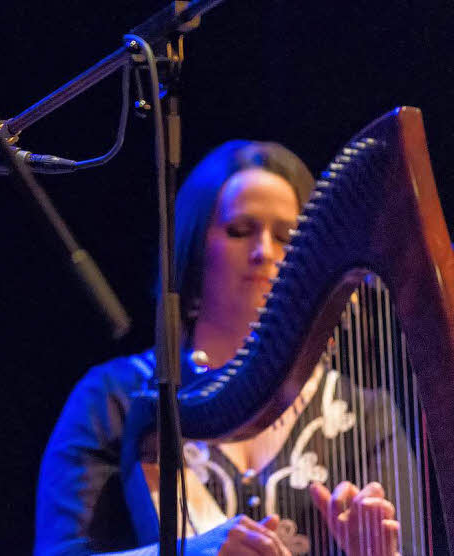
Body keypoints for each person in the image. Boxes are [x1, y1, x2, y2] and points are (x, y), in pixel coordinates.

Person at [35, 141, 403, 556]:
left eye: (287, 237)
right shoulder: (112, 398)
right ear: (193, 251)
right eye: (240, 231)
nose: (265, 251)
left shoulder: (365, 416)